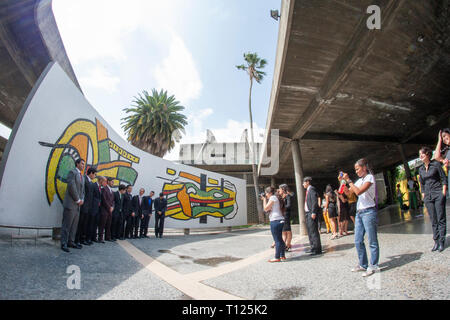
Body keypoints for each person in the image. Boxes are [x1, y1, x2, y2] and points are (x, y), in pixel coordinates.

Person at [343, 158, 379, 277]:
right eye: (355, 170)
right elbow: (350, 193)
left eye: (357, 169)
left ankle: (373, 265)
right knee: (358, 240)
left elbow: (358, 192)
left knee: (372, 240)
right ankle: (363, 264)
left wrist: (349, 180)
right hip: (359, 213)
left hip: (369, 211)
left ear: (364, 167)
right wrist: (343, 182)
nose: (356, 171)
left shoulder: (369, 178)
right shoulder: (358, 181)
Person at [418, 146, 447, 252]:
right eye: (419, 154)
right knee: (433, 220)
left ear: (428, 155)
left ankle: (442, 241)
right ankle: (436, 240)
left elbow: (443, 178)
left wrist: (443, 192)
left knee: (441, 218)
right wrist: (423, 194)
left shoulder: (436, 165)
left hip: (438, 193)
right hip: (428, 197)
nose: (420, 156)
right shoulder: (420, 169)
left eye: (422, 154)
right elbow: (421, 183)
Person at [60, 159, 85, 252]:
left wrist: (82, 199)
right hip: (71, 204)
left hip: (78, 205)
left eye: (84, 164)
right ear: (77, 164)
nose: (83, 165)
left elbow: (83, 190)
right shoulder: (72, 172)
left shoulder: (81, 176)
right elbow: (71, 186)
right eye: (82, 163)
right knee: (67, 224)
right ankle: (64, 243)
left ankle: (71, 241)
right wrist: (77, 199)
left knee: (74, 225)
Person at [261, 186, 286, 262]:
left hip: (275, 220)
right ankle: (282, 255)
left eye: (266, 193)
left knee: (277, 240)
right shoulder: (275, 197)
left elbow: (265, 208)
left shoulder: (272, 198)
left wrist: (264, 200)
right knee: (280, 239)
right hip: (279, 219)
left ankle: (277, 257)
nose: (266, 195)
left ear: (270, 193)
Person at [76, 167, 97, 246]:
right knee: (80, 224)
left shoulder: (90, 182)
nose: (95, 176)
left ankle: (82, 239)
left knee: (85, 224)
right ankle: (77, 240)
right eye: (94, 174)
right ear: (91, 173)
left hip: (88, 207)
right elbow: (82, 192)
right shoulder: (84, 179)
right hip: (83, 205)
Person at [303, 177, 322, 255]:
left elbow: (314, 201)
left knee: (313, 231)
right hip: (308, 213)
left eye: (304, 182)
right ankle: (312, 247)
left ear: (307, 182)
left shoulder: (312, 189)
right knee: (310, 231)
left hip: (311, 213)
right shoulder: (308, 190)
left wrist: (313, 212)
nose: (303, 184)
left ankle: (317, 249)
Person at [433, 128, 450, 198]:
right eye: (442, 137)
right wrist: (439, 140)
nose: (444, 139)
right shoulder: (447, 150)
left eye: (444, 135)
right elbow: (436, 157)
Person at [98, 177, 114, 243]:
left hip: (110, 211)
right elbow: (104, 200)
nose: (113, 183)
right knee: (102, 224)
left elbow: (113, 201)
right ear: (108, 182)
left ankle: (107, 237)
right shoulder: (104, 189)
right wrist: (109, 207)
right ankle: (100, 238)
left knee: (108, 224)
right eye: (112, 182)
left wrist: (112, 207)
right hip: (104, 210)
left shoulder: (112, 191)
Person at [279, 184, 293, 251]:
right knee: (283, 231)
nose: (279, 190)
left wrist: (282, 207)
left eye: (280, 189)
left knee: (287, 230)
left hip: (286, 215)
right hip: (282, 215)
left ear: (283, 189)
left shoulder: (288, 196)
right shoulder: (281, 197)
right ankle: (284, 245)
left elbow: (289, 205)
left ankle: (288, 245)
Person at [89, 176, 103, 242]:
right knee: (91, 223)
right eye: (104, 181)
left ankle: (94, 237)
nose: (104, 182)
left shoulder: (100, 187)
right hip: (93, 208)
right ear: (100, 180)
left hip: (98, 209)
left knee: (95, 223)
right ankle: (89, 238)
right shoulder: (94, 185)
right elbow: (91, 197)